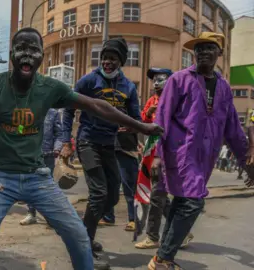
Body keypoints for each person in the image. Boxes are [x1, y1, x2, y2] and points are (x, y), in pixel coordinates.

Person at [0, 27, 163, 270]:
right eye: (21, 49)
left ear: (42, 56)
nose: (27, 55)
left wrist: (141, 126)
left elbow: (99, 106)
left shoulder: (50, 88)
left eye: (34, 50)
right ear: (11, 56)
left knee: (78, 235)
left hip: (37, 177)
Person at [148, 32, 254, 270]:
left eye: (210, 48)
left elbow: (234, 130)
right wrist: (157, 156)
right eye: (200, 48)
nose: (204, 52)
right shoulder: (178, 80)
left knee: (180, 204)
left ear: (220, 54)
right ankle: (163, 258)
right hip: (179, 152)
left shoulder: (225, 88)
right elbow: (161, 118)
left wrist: (247, 162)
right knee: (193, 203)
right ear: (194, 54)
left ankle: (161, 255)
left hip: (206, 158)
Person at [61, 36, 141, 269]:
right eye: (104, 58)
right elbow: (68, 110)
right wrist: (66, 141)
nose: (107, 62)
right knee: (98, 193)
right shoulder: (88, 81)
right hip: (87, 142)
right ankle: (84, 243)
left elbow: (135, 117)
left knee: (112, 196)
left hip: (110, 145)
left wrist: (133, 129)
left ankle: (85, 235)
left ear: (121, 61)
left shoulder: (128, 87)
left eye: (112, 59)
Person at [134, 68, 194, 250]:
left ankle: (153, 236)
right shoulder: (152, 101)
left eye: (161, 79)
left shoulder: (177, 101)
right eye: (154, 80)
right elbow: (142, 122)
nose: (156, 83)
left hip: (165, 156)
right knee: (161, 198)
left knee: (157, 196)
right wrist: (149, 112)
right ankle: (182, 232)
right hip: (150, 153)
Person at [20, 108, 62, 225]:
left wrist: (57, 148)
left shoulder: (53, 113)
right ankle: (31, 213)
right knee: (30, 184)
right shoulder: (27, 111)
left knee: (47, 186)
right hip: (30, 154)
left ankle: (50, 215)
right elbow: (20, 129)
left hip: (47, 155)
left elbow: (59, 134)